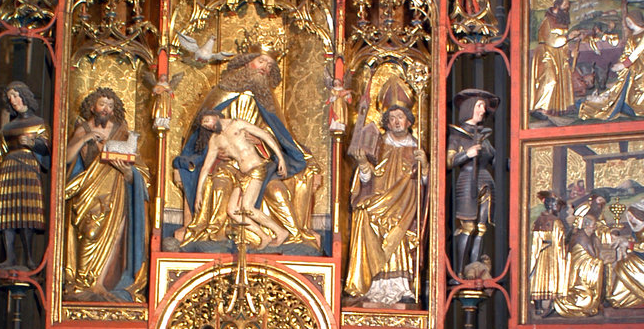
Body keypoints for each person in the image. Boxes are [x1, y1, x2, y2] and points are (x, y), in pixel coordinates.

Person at [173, 48, 319, 250]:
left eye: (269, 66)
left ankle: (290, 235)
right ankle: (214, 238)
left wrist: (262, 144)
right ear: (247, 62)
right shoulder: (221, 93)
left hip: (260, 165)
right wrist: (211, 153)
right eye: (261, 62)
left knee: (277, 192)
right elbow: (200, 139)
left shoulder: (267, 101)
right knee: (220, 189)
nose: (265, 68)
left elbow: (279, 136)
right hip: (224, 165)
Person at [63, 86, 149, 299]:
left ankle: (101, 284)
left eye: (110, 106)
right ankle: (83, 282)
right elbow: (66, 158)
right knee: (90, 232)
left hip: (116, 189)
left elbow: (139, 167)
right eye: (102, 104)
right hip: (89, 189)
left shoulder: (121, 130)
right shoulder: (83, 128)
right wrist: (85, 138)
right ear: (93, 107)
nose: (105, 109)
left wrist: (128, 172)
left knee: (115, 236)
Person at [344, 104, 428, 304]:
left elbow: (426, 186)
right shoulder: (377, 145)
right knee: (364, 216)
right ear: (387, 123)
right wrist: (363, 165)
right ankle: (373, 284)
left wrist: (425, 166)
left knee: (399, 232)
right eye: (392, 118)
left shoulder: (416, 148)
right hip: (378, 201)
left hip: (405, 204)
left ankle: (403, 287)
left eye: (400, 117)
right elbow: (366, 181)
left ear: (409, 121)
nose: (397, 122)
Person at [0, 81, 50, 269]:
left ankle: (29, 257)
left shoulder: (39, 123)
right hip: (8, 169)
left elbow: (48, 146)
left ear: (24, 96)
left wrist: (32, 143)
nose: (13, 101)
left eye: (15, 96)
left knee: (27, 210)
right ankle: (10, 257)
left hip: (28, 167)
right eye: (10, 98)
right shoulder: (8, 128)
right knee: (7, 211)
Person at [447, 89, 499, 277]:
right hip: (467, 182)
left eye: (483, 107)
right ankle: (460, 272)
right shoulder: (457, 136)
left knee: (481, 228)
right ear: (469, 108)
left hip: (486, 182)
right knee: (467, 227)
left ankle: (474, 269)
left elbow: (494, 159)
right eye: (479, 106)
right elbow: (449, 161)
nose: (483, 110)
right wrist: (466, 155)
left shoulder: (483, 137)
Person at [529, 0, 576, 118]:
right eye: (565, 6)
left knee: (564, 77)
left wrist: (570, 51)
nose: (567, 9)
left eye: (568, 7)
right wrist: (568, 37)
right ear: (557, 6)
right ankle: (540, 107)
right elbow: (551, 40)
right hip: (546, 53)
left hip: (559, 54)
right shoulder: (547, 21)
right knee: (550, 80)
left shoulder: (562, 21)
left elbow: (563, 41)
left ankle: (557, 109)